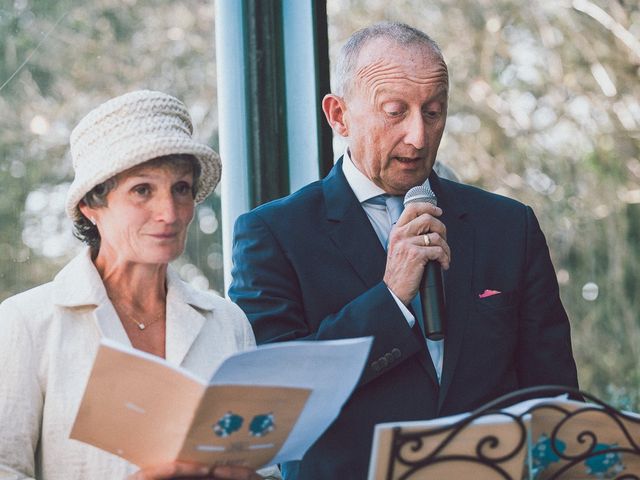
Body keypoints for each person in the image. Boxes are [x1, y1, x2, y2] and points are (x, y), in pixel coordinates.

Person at [229, 22, 579, 479]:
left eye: (433, 112)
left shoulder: (510, 226)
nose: (418, 136)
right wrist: (390, 298)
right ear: (339, 116)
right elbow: (277, 398)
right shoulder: (273, 234)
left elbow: (553, 394)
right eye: (395, 112)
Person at [0, 90, 273, 480]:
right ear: (91, 207)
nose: (170, 212)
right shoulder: (26, 323)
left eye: (181, 188)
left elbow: (267, 469)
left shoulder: (227, 323)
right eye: (142, 190)